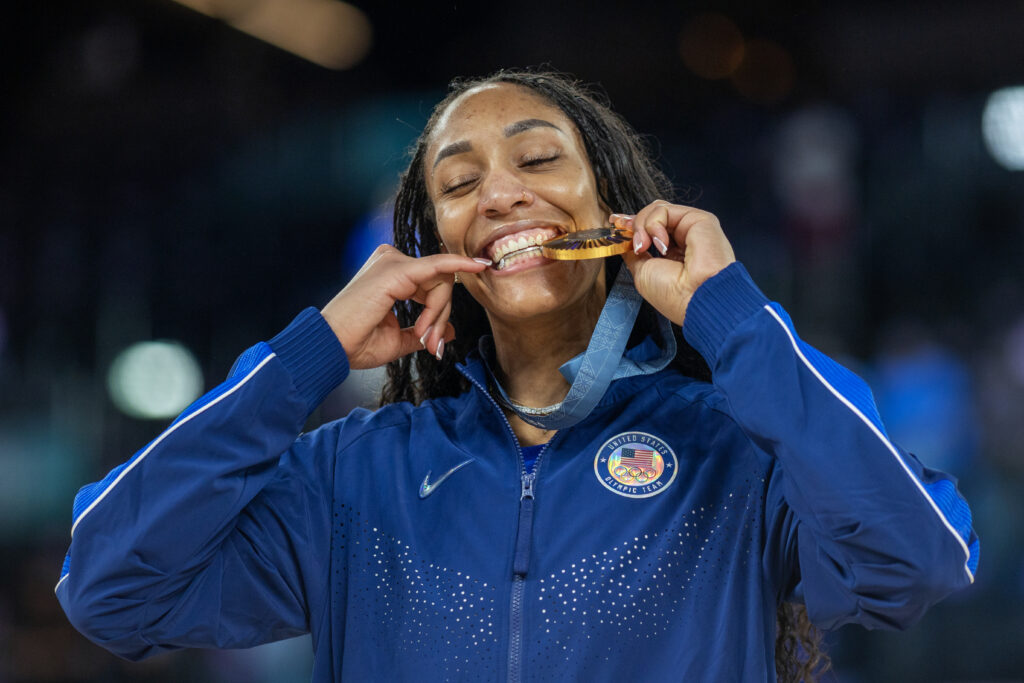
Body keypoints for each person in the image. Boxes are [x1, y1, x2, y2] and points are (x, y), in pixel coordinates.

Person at [57, 69, 978, 683]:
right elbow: (107, 587)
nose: (500, 192)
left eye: (540, 160)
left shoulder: (735, 450)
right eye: (460, 186)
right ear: (430, 254)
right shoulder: (350, 478)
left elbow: (921, 557)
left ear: (618, 214)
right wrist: (306, 360)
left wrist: (732, 318)